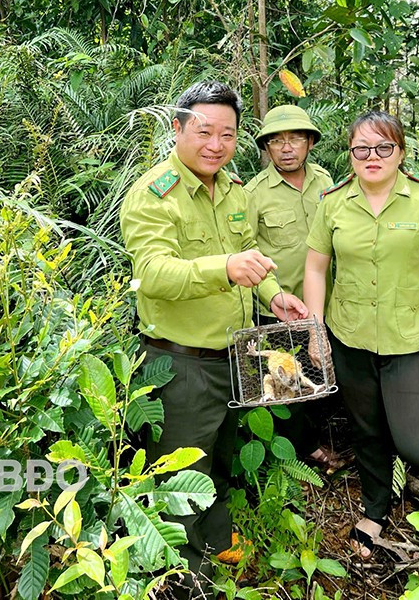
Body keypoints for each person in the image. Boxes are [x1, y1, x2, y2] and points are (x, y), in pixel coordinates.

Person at [120, 81, 307, 597]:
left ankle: (218, 535)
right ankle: (185, 577)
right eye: (204, 132)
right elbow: (152, 274)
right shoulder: (153, 194)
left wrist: (274, 296)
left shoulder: (232, 190)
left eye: (227, 134)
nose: (216, 144)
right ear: (177, 128)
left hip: (234, 352)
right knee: (180, 472)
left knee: (221, 454)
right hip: (181, 361)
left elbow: (250, 254)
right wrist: (223, 268)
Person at [303, 110, 419, 559]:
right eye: (361, 148)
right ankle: (376, 508)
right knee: (368, 432)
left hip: (411, 338)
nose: (371, 156)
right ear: (350, 154)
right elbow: (316, 268)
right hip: (350, 336)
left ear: (401, 152)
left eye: (383, 147)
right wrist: (315, 329)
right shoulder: (333, 202)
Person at [244, 104, 339, 470]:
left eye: (295, 138)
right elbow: (247, 251)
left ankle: (321, 436)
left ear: (310, 143)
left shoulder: (325, 181)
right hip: (280, 311)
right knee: (287, 382)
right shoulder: (254, 193)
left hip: (325, 304)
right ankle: (303, 451)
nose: (286, 148)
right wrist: (272, 294)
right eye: (276, 141)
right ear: (266, 147)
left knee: (323, 374)